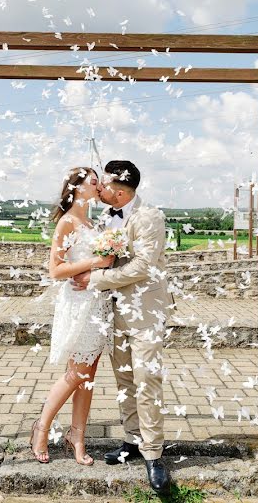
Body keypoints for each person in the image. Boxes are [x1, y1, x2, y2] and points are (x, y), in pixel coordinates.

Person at [72, 160, 173, 495]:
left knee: (147, 381)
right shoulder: (106, 216)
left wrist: (94, 279)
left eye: (103, 184)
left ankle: (154, 454)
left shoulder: (149, 216)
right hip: (115, 312)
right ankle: (132, 440)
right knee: (125, 379)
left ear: (118, 187)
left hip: (145, 313)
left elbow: (143, 267)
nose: (99, 188)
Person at [29, 167, 114, 465]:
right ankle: (42, 427)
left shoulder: (93, 222)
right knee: (76, 373)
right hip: (79, 303)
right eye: (94, 182)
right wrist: (96, 262)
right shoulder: (67, 222)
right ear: (78, 188)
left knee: (88, 375)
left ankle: (77, 435)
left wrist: (105, 265)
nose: (99, 186)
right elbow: (56, 270)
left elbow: (102, 264)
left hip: (98, 303)